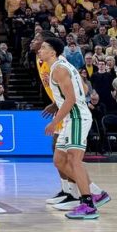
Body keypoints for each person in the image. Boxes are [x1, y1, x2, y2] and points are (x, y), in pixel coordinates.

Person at [33, 31, 108, 211]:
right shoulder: (60, 66)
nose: (40, 50)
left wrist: (53, 122)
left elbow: (70, 99)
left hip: (76, 117)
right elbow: (82, 87)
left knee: (74, 161)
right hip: (69, 118)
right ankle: (95, 192)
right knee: (59, 160)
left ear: (52, 53)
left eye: (43, 47)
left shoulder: (58, 68)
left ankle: (87, 203)